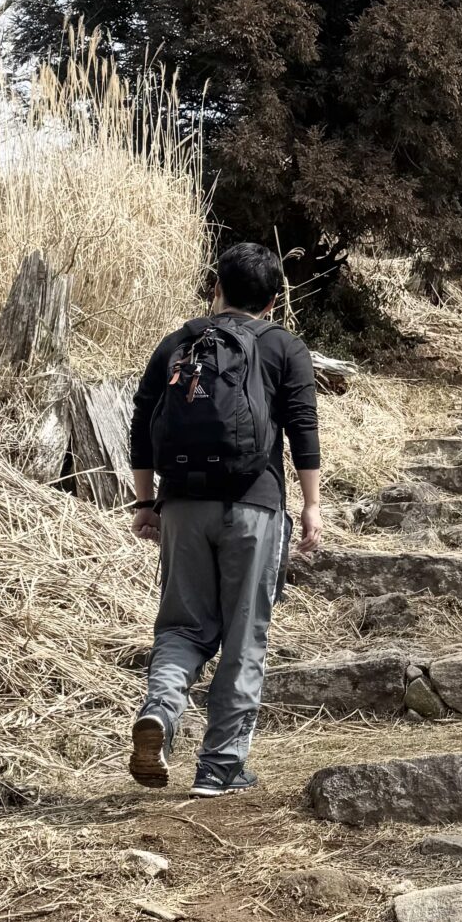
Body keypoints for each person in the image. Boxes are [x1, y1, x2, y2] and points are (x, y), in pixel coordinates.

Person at [125, 241, 323, 796]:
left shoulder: (178, 342)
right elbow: (302, 426)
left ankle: (160, 712)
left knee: (181, 627)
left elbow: (141, 423)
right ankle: (220, 766)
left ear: (216, 287)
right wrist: (311, 504)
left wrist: (145, 502)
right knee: (244, 634)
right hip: (254, 505)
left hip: (182, 505)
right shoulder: (284, 345)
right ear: (275, 299)